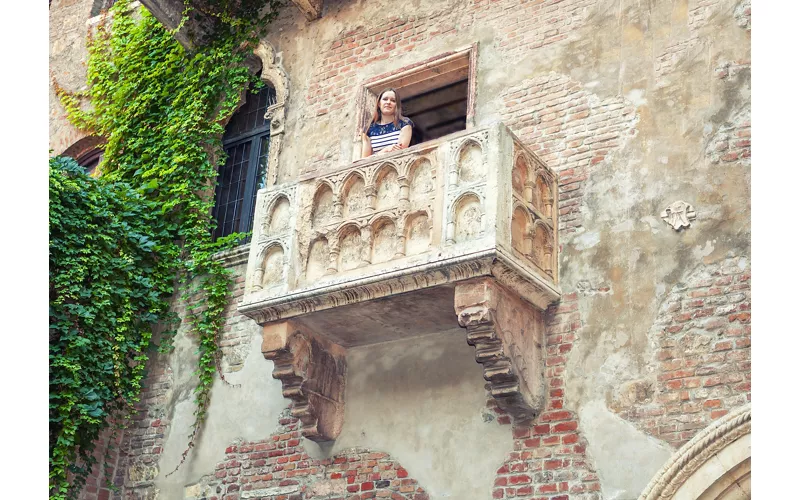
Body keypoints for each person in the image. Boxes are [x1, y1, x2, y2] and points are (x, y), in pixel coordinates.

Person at [361, 88, 414, 158]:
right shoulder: (369, 130)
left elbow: (400, 152)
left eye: (393, 100)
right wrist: (386, 150)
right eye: (385, 99)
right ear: (379, 104)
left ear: (396, 105)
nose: (388, 102)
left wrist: (377, 155)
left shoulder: (404, 124)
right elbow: (364, 160)